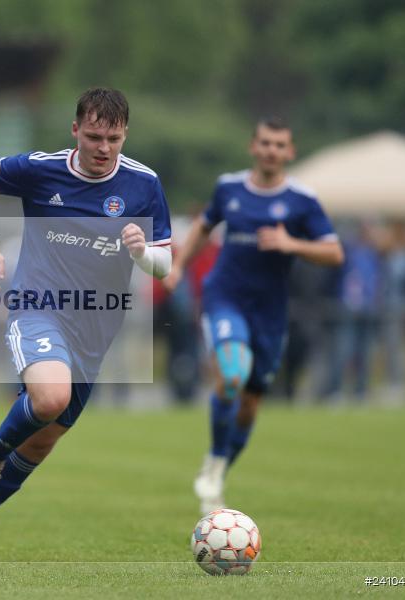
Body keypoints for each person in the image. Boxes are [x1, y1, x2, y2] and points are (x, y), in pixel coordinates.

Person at [0, 88, 173, 562]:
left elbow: (165, 265)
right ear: (75, 130)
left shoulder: (143, 184)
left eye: (113, 139)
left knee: (41, 443)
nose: (103, 148)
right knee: (49, 398)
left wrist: (142, 252)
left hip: (96, 328)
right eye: (93, 137)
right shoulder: (41, 169)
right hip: (38, 305)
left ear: (125, 135)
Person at [163, 117, 344, 513]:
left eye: (279, 145)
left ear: (290, 151)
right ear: (253, 146)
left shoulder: (302, 200)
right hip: (224, 298)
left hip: (270, 313)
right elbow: (203, 227)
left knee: (248, 405)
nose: (271, 150)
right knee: (231, 375)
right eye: (265, 143)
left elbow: (334, 252)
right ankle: (214, 463)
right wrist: (178, 267)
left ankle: (219, 467)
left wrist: (291, 243)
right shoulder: (229, 188)